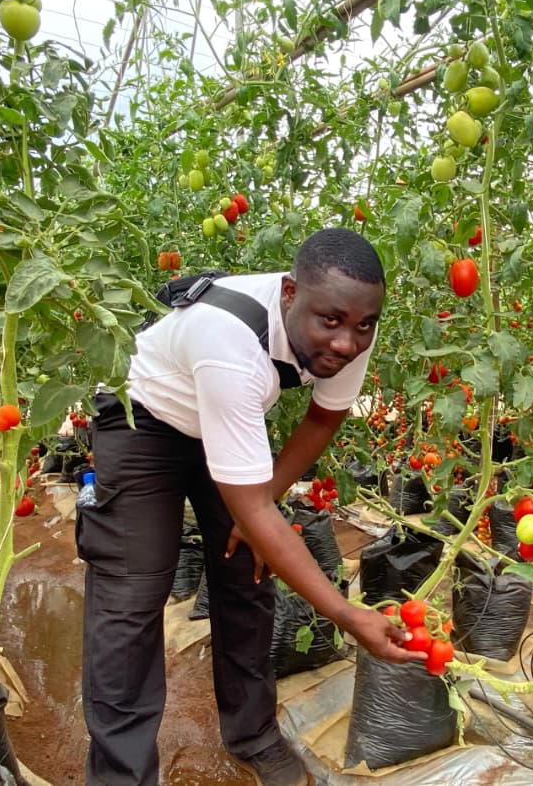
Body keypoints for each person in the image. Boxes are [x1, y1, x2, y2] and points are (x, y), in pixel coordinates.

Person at [78, 228, 425, 786]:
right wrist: (344, 612)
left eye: (364, 326)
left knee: (247, 573)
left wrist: (264, 499)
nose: (346, 342)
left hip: (223, 418)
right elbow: (256, 511)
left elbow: (324, 416)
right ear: (290, 294)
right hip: (143, 420)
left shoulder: (353, 323)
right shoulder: (230, 343)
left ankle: (253, 733)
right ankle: (121, 776)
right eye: (330, 322)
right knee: (132, 597)